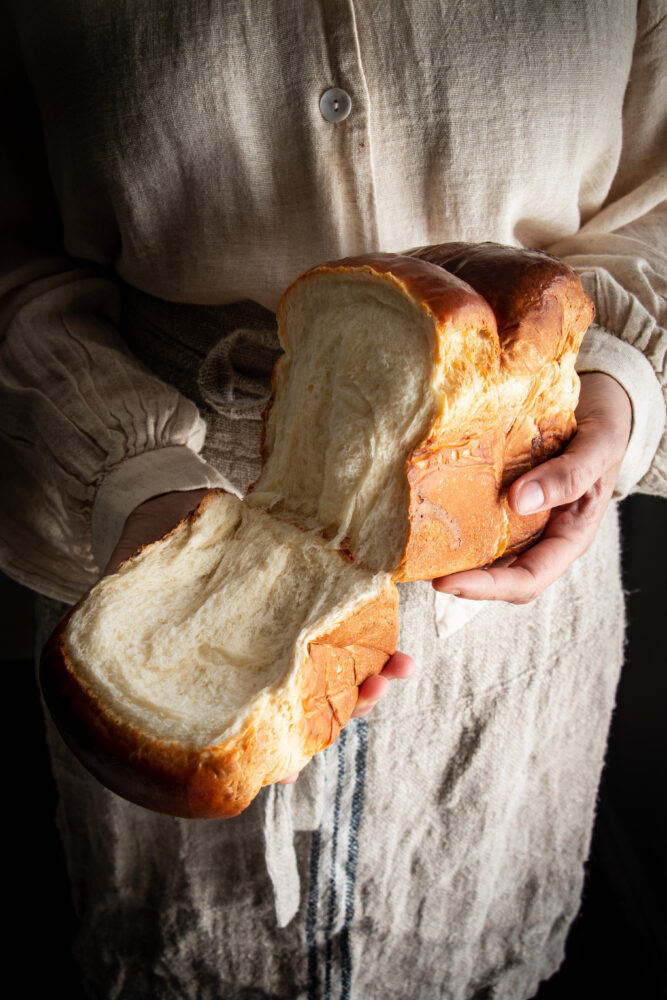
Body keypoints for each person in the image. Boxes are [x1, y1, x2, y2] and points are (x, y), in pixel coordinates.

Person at [1, 2, 665, 998]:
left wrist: (614, 385)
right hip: (140, 526)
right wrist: (130, 477)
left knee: (477, 948)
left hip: (519, 550)